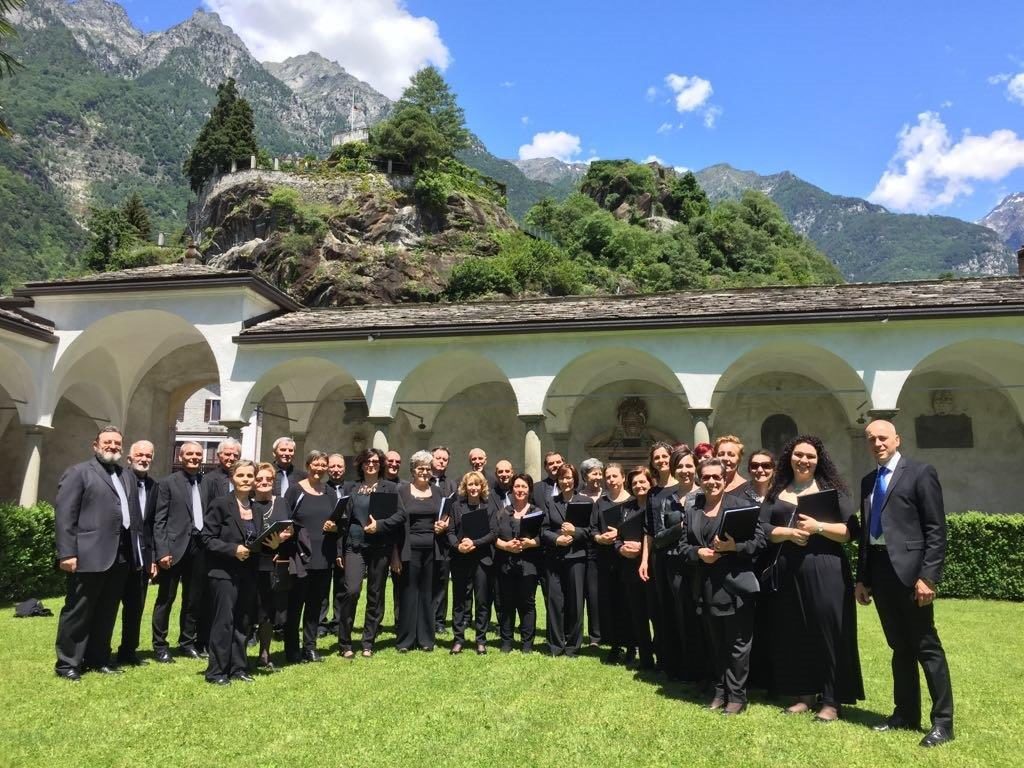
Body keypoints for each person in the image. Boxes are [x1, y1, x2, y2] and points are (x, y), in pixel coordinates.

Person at [855, 420, 954, 748]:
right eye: (871, 439)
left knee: (927, 647)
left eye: (883, 437)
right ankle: (905, 714)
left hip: (912, 575)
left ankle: (943, 723)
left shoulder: (920, 472)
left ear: (897, 439)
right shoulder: (868, 481)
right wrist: (863, 578)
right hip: (881, 573)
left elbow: (936, 529)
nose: (877, 443)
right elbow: (868, 535)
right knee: (899, 648)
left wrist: (928, 576)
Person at [760, 436, 863, 721]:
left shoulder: (831, 491)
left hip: (825, 567)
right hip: (789, 569)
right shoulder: (777, 490)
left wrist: (817, 527)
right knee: (795, 630)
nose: (804, 460)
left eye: (810, 456)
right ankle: (803, 694)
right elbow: (764, 528)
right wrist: (790, 533)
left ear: (819, 460)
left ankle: (831, 699)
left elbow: (849, 532)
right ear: (789, 458)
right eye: (798, 455)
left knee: (829, 630)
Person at [54, 426, 145, 680]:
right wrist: (66, 553)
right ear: (96, 445)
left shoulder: (126, 475)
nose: (112, 446)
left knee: (107, 610)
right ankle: (68, 663)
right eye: (107, 442)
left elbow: (133, 517)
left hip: (121, 555)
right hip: (88, 554)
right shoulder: (79, 472)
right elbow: (65, 516)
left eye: (117, 443)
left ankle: (98, 658)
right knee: (79, 610)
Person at [680, 457, 765, 715]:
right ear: (700, 479)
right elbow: (683, 547)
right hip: (705, 587)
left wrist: (733, 547)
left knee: (738, 644)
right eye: (706, 477)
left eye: (717, 477)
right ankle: (720, 691)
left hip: (735, 587)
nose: (712, 482)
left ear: (725, 478)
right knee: (716, 643)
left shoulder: (742, 505)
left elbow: (759, 542)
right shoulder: (693, 509)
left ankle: (737, 696)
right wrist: (698, 554)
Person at [201, 460, 288, 685]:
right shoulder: (221, 504)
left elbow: (258, 543)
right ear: (232, 478)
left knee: (243, 621)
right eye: (241, 476)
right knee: (224, 622)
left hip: (250, 572)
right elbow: (207, 539)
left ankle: (238, 668)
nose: (246, 480)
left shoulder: (256, 509)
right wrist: (232, 549)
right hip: (224, 572)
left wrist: (274, 543)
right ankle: (217, 672)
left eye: (250, 476)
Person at [368, 450, 448, 651]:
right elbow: (396, 524)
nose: (424, 472)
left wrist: (443, 525)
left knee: (427, 594)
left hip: (432, 549)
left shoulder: (438, 492)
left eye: (428, 468)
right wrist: (395, 554)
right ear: (413, 470)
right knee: (408, 593)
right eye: (420, 468)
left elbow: (445, 515)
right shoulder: (402, 491)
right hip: (407, 548)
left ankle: (426, 640)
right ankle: (405, 640)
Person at [336, 448, 398, 658]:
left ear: (380, 465)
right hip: (354, 546)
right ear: (361, 465)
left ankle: (367, 642)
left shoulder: (389, 488)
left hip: (380, 548)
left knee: (375, 594)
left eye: (375, 461)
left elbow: (401, 516)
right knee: (352, 591)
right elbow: (342, 520)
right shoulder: (351, 488)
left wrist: (379, 526)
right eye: (367, 461)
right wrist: (339, 550)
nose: (371, 464)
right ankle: (344, 643)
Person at [152, 441, 210, 663]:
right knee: (166, 598)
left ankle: (187, 642)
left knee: (193, 599)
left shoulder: (206, 482)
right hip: (174, 548)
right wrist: (162, 551)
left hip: (199, 548)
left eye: (198, 454)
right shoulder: (167, 483)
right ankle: (160, 646)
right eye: (190, 454)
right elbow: (160, 520)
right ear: (181, 456)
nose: (194, 457)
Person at [652, 446, 702, 683]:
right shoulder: (667, 500)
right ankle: (681, 667)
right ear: (674, 470)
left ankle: (703, 667)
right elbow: (659, 537)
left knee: (699, 616)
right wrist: (680, 528)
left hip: (700, 563)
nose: (685, 470)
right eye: (680, 466)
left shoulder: (704, 495)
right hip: (674, 564)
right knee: (678, 615)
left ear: (696, 468)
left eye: (689, 466)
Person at [282, 451, 338, 663]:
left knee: (316, 605)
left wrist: (334, 527)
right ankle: (292, 649)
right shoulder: (295, 491)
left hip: (323, 556)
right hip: (300, 556)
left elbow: (338, 521)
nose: (320, 468)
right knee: (295, 604)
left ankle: (310, 647)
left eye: (323, 465)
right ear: (308, 465)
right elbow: (285, 519)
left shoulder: (330, 492)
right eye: (316, 464)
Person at [542, 463, 593, 657]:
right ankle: (555, 645)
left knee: (575, 602)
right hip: (554, 558)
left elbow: (590, 531)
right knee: (555, 601)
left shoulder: (585, 501)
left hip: (576, 558)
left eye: (569, 477)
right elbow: (543, 529)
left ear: (575, 480)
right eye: (562, 478)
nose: (566, 481)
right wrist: (557, 539)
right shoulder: (551, 502)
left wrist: (575, 532)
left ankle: (573, 646)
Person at [116, 440, 158, 667]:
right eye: (140, 455)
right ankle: (99, 651)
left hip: (142, 557)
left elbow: (151, 525)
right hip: (120, 555)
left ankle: (128, 651)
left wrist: (152, 559)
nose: (144, 459)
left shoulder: (153, 485)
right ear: (129, 459)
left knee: (135, 608)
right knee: (109, 607)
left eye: (148, 456)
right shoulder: (120, 481)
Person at [447, 471, 498, 654]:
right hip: (460, 558)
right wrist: (458, 545)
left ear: (482, 486)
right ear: (465, 487)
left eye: (477, 484)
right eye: (470, 484)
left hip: (482, 560)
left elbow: (493, 532)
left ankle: (481, 640)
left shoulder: (489, 506)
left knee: (482, 601)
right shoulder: (456, 506)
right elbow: (450, 531)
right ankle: (458, 639)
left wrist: (474, 543)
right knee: (460, 600)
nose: (474, 488)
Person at [250, 462, 293, 671]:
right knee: (249, 609)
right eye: (259, 479)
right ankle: (239, 652)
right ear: (253, 482)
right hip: (250, 563)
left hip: (275, 562)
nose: (264, 483)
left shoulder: (282, 502)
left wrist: (281, 540)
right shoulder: (248, 504)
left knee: (268, 610)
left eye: (268, 479)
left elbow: (289, 528)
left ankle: (264, 654)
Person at [494, 474, 543, 653]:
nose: (520, 490)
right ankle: (506, 641)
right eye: (517, 487)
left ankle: (527, 643)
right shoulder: (502, 512)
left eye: (523, 486)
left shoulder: (536, 512)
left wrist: (530, 543)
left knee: (527, 603)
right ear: (512, 489)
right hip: (505, 563)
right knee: (506, 603)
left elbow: (542, 537)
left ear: (529, 489)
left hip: (528, 565)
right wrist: (506, 546)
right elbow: (494, 537)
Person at [616, 466, 655, 670]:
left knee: (656, 615)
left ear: (650, 482)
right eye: (635, 483)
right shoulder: (625, 508)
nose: (639, 485)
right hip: (630, 569)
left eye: (643, 481)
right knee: (637, 616)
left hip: (653, 569)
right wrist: (622, 548)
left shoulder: (656, 505)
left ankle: (664, 657)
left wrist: (643, 549)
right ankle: (645, 659)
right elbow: (618, 537)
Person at [593, 463, 632, 664]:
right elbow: (593, 529)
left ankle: (632, 645)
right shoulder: (601, 502)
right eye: (608, 477)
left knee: (629, 603)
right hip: (607, 559)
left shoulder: (632, 501)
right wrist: (599, 538)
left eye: (614, 476)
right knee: (612, 604)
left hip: (628, 560)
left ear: (623, 477)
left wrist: (620, 534)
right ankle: (616, 645)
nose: (611, 480)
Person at [647, 442, 681, 678]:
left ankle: (685, 659)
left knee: (682, 608)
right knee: (662, 609)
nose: (661, 460)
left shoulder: (684, 487)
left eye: (664, 456)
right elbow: (649, 529)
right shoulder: (652, 492)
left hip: (680, 554)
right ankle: (666, 660)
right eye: (656, 458)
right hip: (659, 556)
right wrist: (644, 561)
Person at [320, 453, 350, 637]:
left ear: (344, 468)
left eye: (339, 466)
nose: (336, 470)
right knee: (322, 586)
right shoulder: (322, 489)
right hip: (325, 540)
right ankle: (321, 623)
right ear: (327, 469)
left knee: (341, 584)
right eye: (332, 466)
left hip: (344, 541)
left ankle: (338, 621)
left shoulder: (352, 488)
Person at [429, 445, 457, 635]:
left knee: (441, 580)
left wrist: (447, 523)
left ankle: (439, 620)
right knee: (424, 579)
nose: (441, 461)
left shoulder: (453, 485)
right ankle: (424, 617)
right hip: (424, 536)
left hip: (445, 539)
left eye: (444, 459)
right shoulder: (423, 480)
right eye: (438, 458)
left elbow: (456, 509)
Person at [578, 457, 605, 647]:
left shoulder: (607, 495)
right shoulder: (579, 497)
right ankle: (594, 636)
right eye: (593, 473)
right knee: (590, 594)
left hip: (606, 550)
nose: (597, 477)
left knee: (603, 594)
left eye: (599, 473)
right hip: (584, 550)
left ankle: (605, 633)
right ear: (585, 476)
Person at [200, 438, 241, 509]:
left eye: (235, 455)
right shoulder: (209, 479)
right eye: (227, 454)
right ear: (219, 455)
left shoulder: (243, 478)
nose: (231, 458)